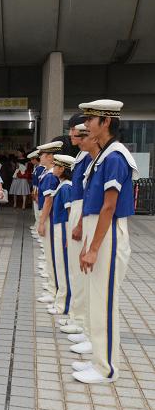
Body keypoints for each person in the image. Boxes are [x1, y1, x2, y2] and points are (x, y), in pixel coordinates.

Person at [73, 99, 138, 384]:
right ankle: (99, 359)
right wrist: (88, 244)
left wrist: (94, 248)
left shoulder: (114, 157)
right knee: (97, 299)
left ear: (106, 122)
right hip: (97, 230)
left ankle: (107, 368)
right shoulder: (104, 156)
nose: (86, 125)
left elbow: (109, 207)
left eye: (91, 119)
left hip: (108, 233)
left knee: (105, 300)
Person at [63, 124, 97, 349]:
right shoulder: (85, 156)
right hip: (80, 210)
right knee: (77, 272)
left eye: (76, 132)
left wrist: (80, 223)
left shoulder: (105, 157)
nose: (73, 136)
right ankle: (80, 321)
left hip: (87, 214)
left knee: (88, 279)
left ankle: (86, 327)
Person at [47, 155, 74, 316]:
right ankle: (61, 301)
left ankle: (64, 305)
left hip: (64, 227)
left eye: (56, 165)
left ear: (62, 168)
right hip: (60, 226)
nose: (53, 168)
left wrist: (70, 236)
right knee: (60, 265)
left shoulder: (66, 187)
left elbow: (71, 212)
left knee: (64, 267)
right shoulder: (63, 185)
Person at [35, 142, 63, 304]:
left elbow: (48, 201)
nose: (40, 157)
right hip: (49, 217)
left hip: (51, 218)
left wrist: (41, 221)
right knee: (50, 253)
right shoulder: (48, 173)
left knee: (53, 254)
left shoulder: (51, 176)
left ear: (50, 157)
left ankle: (54, 291)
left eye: (42, 155)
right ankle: (53, 288)